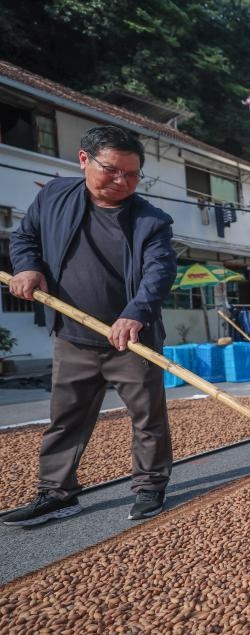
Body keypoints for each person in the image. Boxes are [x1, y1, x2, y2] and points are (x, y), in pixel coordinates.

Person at [4, 125, 177, 526]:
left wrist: (136, 312)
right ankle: (56, 493)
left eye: (132, 175)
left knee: (147, 419)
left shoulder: (151, 220)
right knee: (66, 418)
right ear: (84, 160)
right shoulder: (52, 197)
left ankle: (150, 486)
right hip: (73, 336)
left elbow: (159, 271)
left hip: (132, 341)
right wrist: (27, 268)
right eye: (112, 170)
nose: (122, 182)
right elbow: (24, 238)